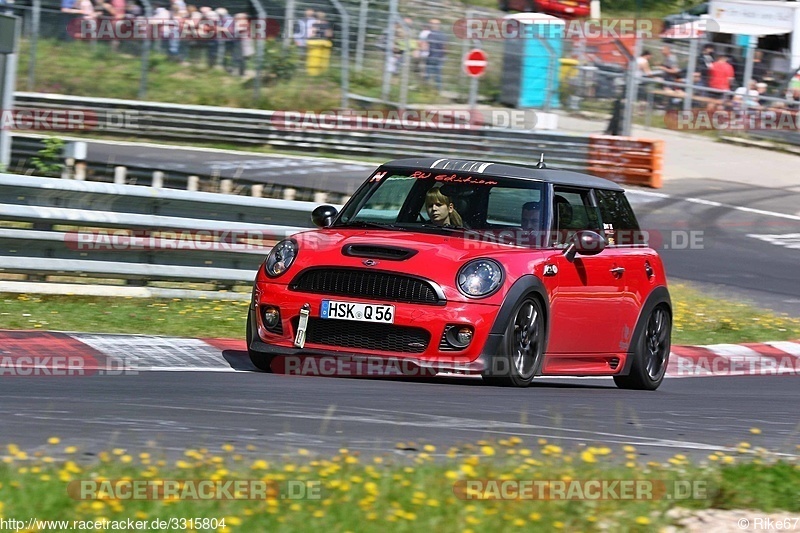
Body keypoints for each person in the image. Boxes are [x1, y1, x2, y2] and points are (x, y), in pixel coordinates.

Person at [425, 19, 446, 92]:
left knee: (428, 74)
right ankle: (437, 90)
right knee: (438, 75)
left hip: (432, 56)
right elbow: (445, 47)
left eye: (433, 24)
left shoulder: (430, 34)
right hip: (438, 57)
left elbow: (426, 45)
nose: (431, 25)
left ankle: (427, 89)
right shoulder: (442, 35)